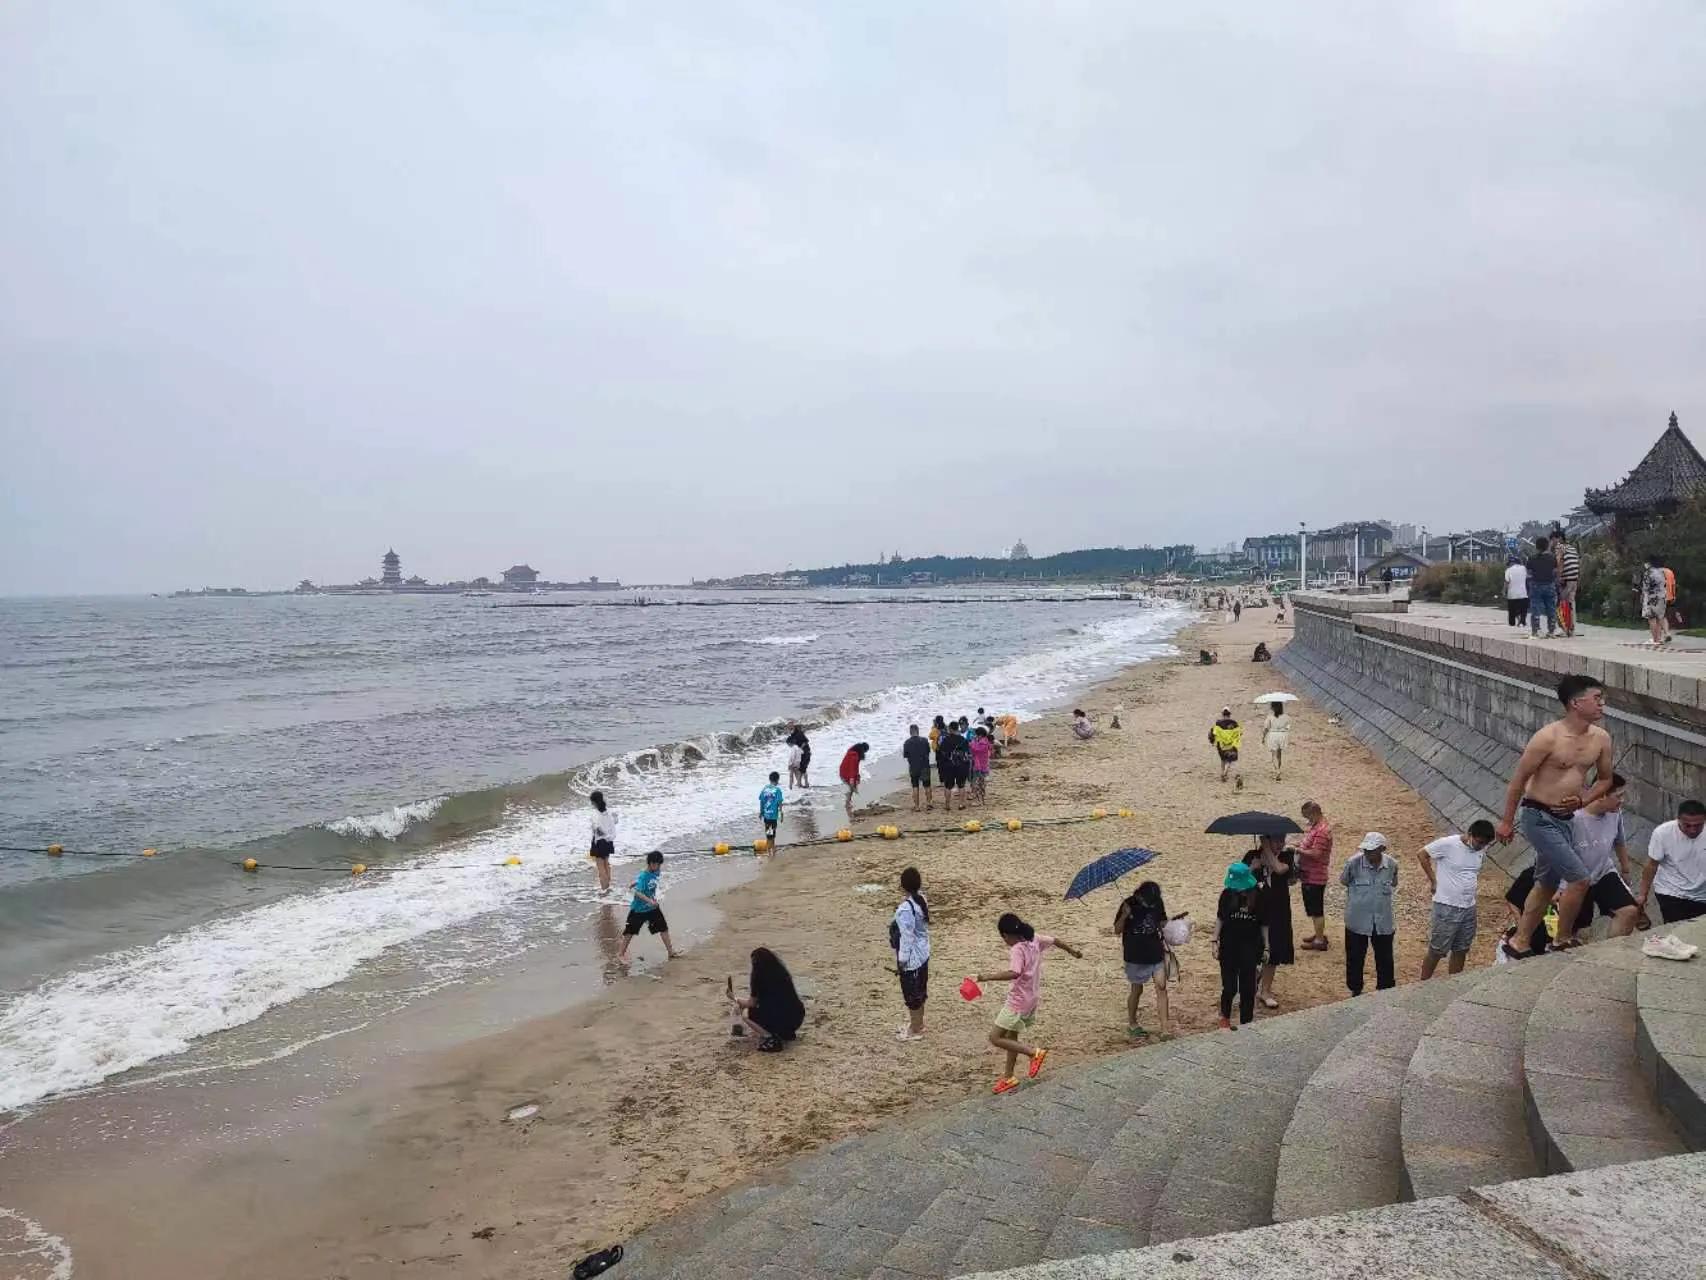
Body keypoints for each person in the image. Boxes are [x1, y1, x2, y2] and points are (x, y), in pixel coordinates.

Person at [1497, 674, 1615, 958]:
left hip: (1567, 819)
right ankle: (1562, 938)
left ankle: (1520, 941)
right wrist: (1505, 821)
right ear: (1576, 703)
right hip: (1538, 815)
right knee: (1579, 879)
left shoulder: (1601, 738)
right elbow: (1518, 780)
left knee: (1547, 883)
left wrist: (1583, 800)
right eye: (1596, 699)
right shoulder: (1548, 737)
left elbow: (1605, 780)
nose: (1602, 705)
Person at [973, 913, 1083, 1094]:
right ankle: (1008, 1077)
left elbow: (1014, 972)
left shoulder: (1017, 948)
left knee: (995, 1037)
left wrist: (986, 977)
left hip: (1017, 1001)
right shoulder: (1034, 939)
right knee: (1011, 1037)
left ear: (1005, 935)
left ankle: (1033, 1053)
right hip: (1031, 999)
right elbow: (1056, 941)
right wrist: (1072, 952)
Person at [1417, 820, 1496, 978]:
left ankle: (1454, 982)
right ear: (1470, 834)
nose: (1482, 846)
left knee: (1461, 948)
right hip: (1447, 905)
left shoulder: (1481, 848)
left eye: (1485, 844)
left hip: (1469, 906)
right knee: (1437, 949)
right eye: (1480, 842)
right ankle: (1423, 983)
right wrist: (1433, 880)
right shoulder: (1448, 844)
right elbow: (1422, 854)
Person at [1570, 774, 1641, 937]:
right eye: (1619, 796)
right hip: (1574, 879)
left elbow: (1619, 841)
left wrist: (1625, 869)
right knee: (1573, 924)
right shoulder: (1573, 818)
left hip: (1603, 872)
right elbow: (1551, 854)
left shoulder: (1615, 813)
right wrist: (1556, 888)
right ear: (1601, 795)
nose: (1622, 800)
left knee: (1629, 912)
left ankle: (1611, 954)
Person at [1113, 880, 1171, 1038]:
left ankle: (1165, 1029)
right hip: (1135, 956)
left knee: (1161, 987)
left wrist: (1173, 925)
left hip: (1155, 952)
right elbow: (1117, 930)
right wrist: (1124, 915)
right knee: (1137, 990)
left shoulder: (1157, 903)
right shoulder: (1128, 903)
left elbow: (1162, 922)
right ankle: (1132, 1023)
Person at [1341, 833, 1397, 996]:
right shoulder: (1353, 863)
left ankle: (1385, 990)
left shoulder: (1392, 865)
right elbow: (1344, 880)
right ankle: (1355, 989)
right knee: (1354, 958)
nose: (1367, 853)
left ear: (1382, 849)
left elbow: (1394, 882)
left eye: (1371, 850)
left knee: (1385, 958)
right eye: (1365, 850)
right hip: (1357, 920)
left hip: (1382, 921)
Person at [1246, 835, 1296, 1009]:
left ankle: (1265, 990)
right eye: (1275, 840)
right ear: (1265, 840)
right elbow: (1239, 882)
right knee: (1252, 949)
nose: (1280, 844)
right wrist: (1253, 868)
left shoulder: (1286, 856)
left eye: (1281, 840)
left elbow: (1281, 870)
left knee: (1273, 950)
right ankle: (1250, 984)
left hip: (1278, 910)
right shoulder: (1251, 855)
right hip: (1254, 910)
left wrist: (1267, 850)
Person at [1638, 799, 1706, 923]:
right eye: (1687, 825)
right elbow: (1651, 866)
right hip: (1671, 891)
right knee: (1677, 931)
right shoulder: (1662, 833)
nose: (1692, 830)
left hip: (1701, 894)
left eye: (1698, 825)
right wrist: (1643, 895)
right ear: (1678, 820)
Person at [1213, 862, 1263, 1027]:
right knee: (1229, 986)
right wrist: (1214, 941)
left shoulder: (1258, 896)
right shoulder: (1226, 895)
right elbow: (1220, 918)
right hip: (1228, 946)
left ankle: (1246, 1022)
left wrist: (1267, 946)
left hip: (1250, 947)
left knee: (1248, 989)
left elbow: (1264, 924)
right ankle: (1225, 1016)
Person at [731, 947, 805, 1052]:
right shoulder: (782, 973)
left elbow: (751, 1003)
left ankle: (770, 1037)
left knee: (745, 1012)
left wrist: (734, 998)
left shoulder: (758, 977)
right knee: (774, 1008)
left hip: (780, 1019)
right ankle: (785, 1034)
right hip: (797, 1017)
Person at [617, 851, 681, 963]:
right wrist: (650, 901)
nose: (659, 867)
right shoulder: (644, 876)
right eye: (657, 864)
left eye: (660, 865)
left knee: (663, 928)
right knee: (630, 932)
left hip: (652, 908)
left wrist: (636, 882)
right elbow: (637, 893)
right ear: (651, 864)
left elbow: (643, 882)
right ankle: (621, 954)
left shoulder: (655, 872)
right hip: (639, 909)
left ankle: (671, 952)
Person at [892, 867, 931, 1041]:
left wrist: (901, 961)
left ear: (903, 886)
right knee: (921, 990)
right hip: (923, 953)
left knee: (912, 995)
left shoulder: (905, 910)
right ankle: (918, 1024)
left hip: (912, 958)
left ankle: (915, 1029)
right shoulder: (921, 900)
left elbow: (906, 938)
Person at [1296, 800, 1333, 950]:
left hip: (1315, 875)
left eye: (1308, 816)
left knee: (1317, 909)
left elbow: (1316, 854)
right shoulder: (1317, 827)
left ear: (1314, 813)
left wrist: (1298, 851)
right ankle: (1318, 934)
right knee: (1313, 908)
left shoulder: (1322, 831)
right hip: (1310, 874)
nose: (1307, 820)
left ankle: (1319, 940)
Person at [1526, 536, 1559, 639]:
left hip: (1536, 585)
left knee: (1535, 607)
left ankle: (1535, 631)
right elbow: (1555, 571)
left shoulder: (1532, 558)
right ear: (1547, 546)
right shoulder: (1552, 558)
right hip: (1549, 585)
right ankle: (1551, 631)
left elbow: (1528, 572)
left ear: (1536, 547)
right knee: (1551, 607)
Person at [1552, 528, 1581, 637]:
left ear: (1558, 539)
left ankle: (1563, 629)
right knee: (1571, 603)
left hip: (1566, 580)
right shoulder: (1572, 548)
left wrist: (1558, 578)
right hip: (1574, 579)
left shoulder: (1559, 547)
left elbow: (1560, 562)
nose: (1552, 542)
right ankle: (1571, 629)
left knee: (1559, 603)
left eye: (1553, 539)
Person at [588, 790, 616, 894]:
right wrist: (608, 836)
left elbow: (597, 828)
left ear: (594, 802)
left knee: (600, 867)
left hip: (599, 842)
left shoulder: (595, 814)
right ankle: (608, 886)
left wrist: (602, 835)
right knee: (606, 864)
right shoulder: (608, 812)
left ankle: (604, 889)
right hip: (609, 841)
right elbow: (615, 822)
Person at [937, 719, 969, 811]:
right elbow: (967, 753)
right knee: (961, 785)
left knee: (948, 786)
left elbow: (941, 753)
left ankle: (947, 805)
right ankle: (961, 804)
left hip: (948, 765)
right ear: (957, 728)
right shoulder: (963, 740)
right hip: (961, 765)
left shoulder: (946, 740)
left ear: (950, 729)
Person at [903, 724, 934, 812]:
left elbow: (906, 755)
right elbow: (928, 751)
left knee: (915, 786)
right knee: (927, 785)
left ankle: (917, 806)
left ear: (910, 732)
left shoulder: (907, 742)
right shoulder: (924, 740)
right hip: (924, 766)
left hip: (913, 767)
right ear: (918, 731)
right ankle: (929, 803)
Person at [1642, 554, 1670, 647]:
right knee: (1659, 618)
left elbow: (1645, 586)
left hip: (1651, 598)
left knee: (1652, 618)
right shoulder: (1662, 571)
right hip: (1662, 597)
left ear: (1649, 563)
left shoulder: (1648, 572)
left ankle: (1655, 639)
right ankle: (1659, 639)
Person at [1210, 707, 1242, 784]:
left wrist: (1213, 742)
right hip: (1231, 745)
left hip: (1221, 745)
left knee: (1223, 759)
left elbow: (1213, 733)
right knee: (1229, 760)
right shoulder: (1234, 723)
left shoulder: (1218, 723)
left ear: (1222, 714)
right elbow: (1240, 733)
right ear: (1229, 714)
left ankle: (1222, 772)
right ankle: (1225, 773)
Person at [1262, 701, 1292, 781]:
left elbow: (1266, 728)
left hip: (1273, 735)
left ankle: (1277, 771)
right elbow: (1288, 727)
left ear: (1273, 708)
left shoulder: (1270, 717)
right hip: (1282, 735)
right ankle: (1279, 769)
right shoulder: (1286, 717)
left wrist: (1263, 737)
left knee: (1274, 755)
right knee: (1279, 754)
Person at [839, 742, 869, 820]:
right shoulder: (854, 756)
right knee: (851, 788)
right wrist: (852, 779)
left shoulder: (854, 753)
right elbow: (852, 768)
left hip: (846, 771)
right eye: (865, 752)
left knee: (853, 787)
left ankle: (848, 801)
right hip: (845, 773)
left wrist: (857, 777)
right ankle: (847, 803)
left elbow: (856, 768)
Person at [759, 771, 785, 846]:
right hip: (773, 816)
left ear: (769, 779)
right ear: (777, 780)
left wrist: (761, 812)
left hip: (766, 815)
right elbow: (780, 803)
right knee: (772, 833)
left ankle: (768, 847)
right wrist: (781, 815)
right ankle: (771, 850)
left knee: (768, 832)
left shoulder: (765, 789)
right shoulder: (777, 790)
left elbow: (762, 801)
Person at [969, 726, 993, 804]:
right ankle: (982, 800)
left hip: (979, 766)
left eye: (976, 735)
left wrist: (972, 742)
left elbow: (975, 749)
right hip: (984, 766)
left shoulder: (982, 743)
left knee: (977, 783)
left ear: (980, 735)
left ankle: (979, 801)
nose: (975, 736)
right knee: (981, 784)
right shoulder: (986, 742)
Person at [1504, 556, 1529, 628]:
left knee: (1512, 612)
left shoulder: (1508, 570)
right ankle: (1522, 622)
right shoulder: (1524, 568)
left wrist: (1503, 591)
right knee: (1523, 611)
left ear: (1510, 563)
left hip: (1512, 595)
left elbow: (1506, 582)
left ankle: (1513, 623)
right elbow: (1527, 577)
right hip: (1523, 594)